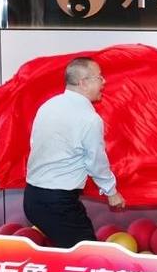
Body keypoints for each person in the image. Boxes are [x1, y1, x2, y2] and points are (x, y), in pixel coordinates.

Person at [24, 57, 125, 247]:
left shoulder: (48, 106)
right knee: (87, 256)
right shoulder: (89, 118)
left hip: (32, 198)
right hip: (58, 203)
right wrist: (111, 191)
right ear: (83, 83)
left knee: (68, 253)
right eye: (99, 77)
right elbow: (95, 161)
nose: (104, 82)